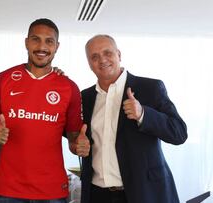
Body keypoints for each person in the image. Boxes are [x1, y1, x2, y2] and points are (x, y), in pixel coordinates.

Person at [0, 18, 90, 202]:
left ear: (57, 46)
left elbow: (73, 138)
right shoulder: (2, 80)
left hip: (52, 190)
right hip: (9, 189)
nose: (42, 46)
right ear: (26, 42)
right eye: (35, 39)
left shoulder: (69, 88)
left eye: (49, 41)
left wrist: (79, 145)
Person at [80, 34, 188, 203]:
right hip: (97, 195)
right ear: (89, 63)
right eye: (94, 56)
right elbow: (78, 138)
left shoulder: (150, 88)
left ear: (119, 55)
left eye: (107, 53)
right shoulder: (84, 97)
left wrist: (143, 114)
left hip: (143, 194)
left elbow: (179, 133)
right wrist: (77, 143)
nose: (102, 60)